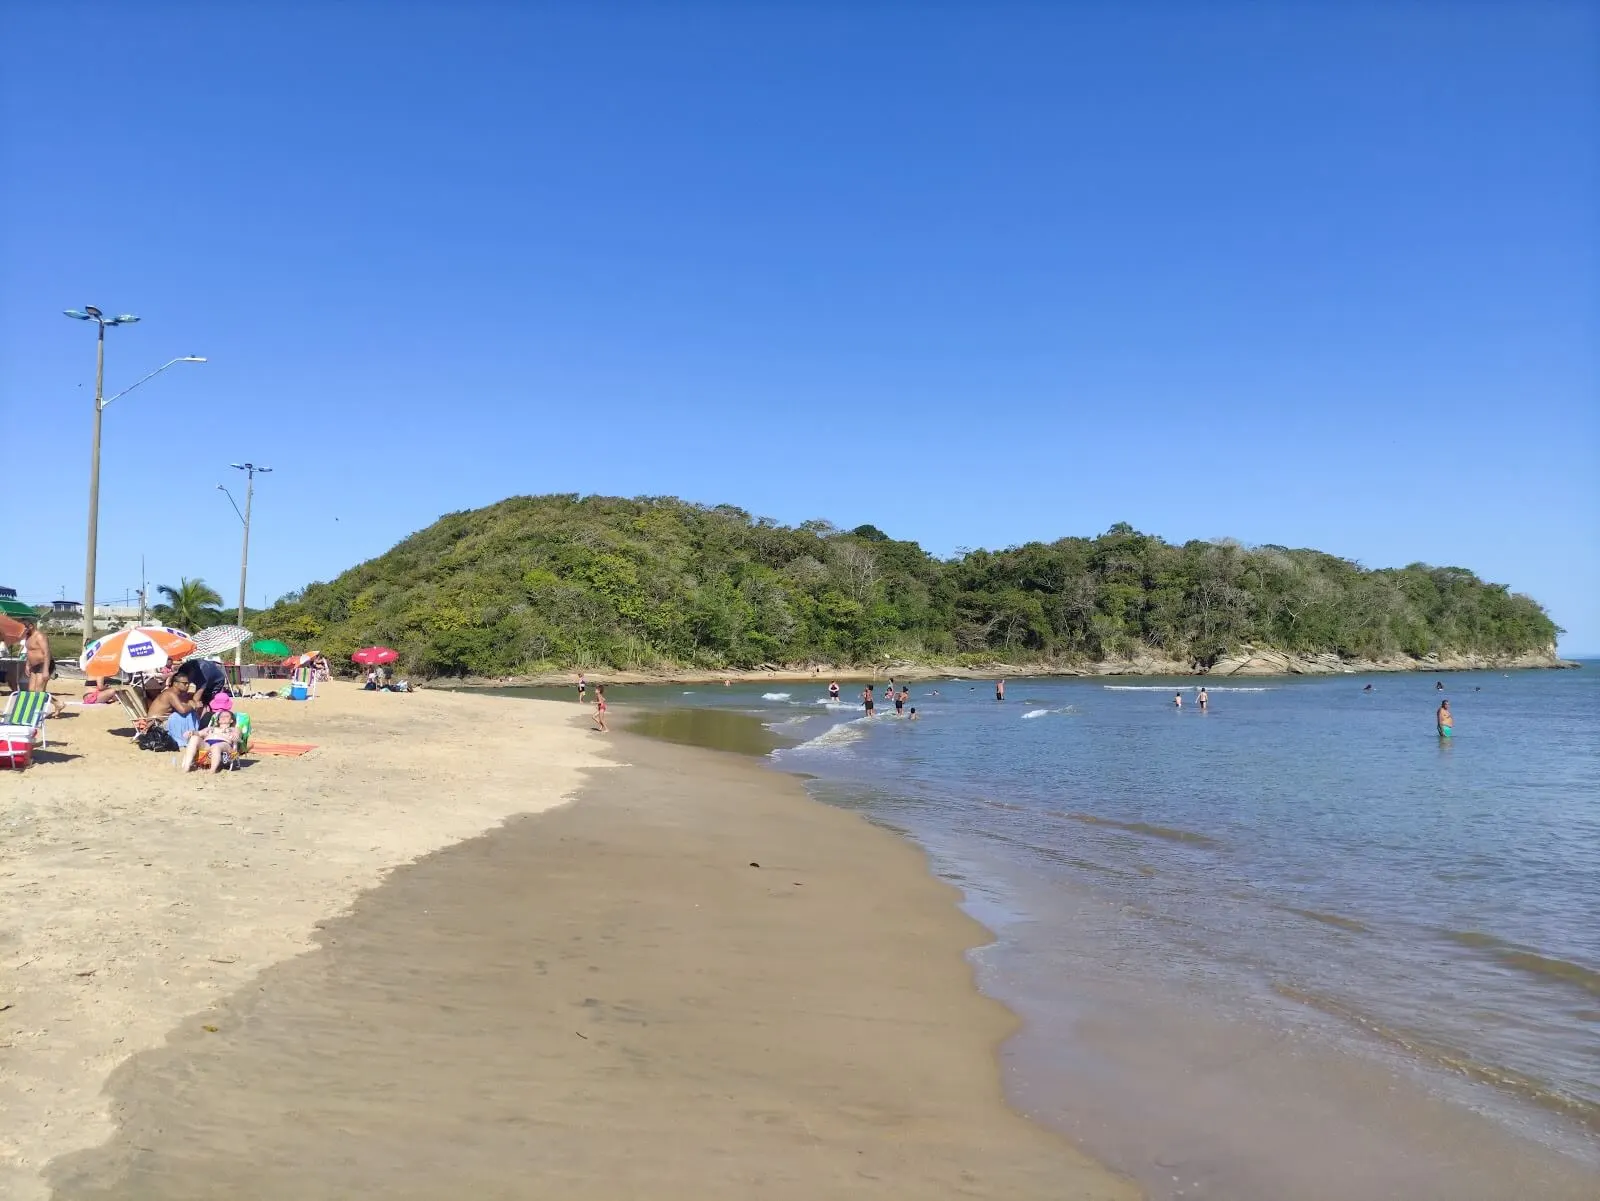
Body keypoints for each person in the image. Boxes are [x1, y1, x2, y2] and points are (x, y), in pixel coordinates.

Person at [181, 699, 239, 774]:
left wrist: (236, 734)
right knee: (194, 738)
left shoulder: (233, 729)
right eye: (221, 716)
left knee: (216, 746)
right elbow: (199, 733)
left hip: (224, 745)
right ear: (218, 721)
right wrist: (191, 732)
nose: (223, 717)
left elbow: (238, 734)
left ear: (231, 720)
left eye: (227, 716)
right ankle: (186, 766)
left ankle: (212, 770)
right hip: (207, 745)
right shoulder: (211, 728)